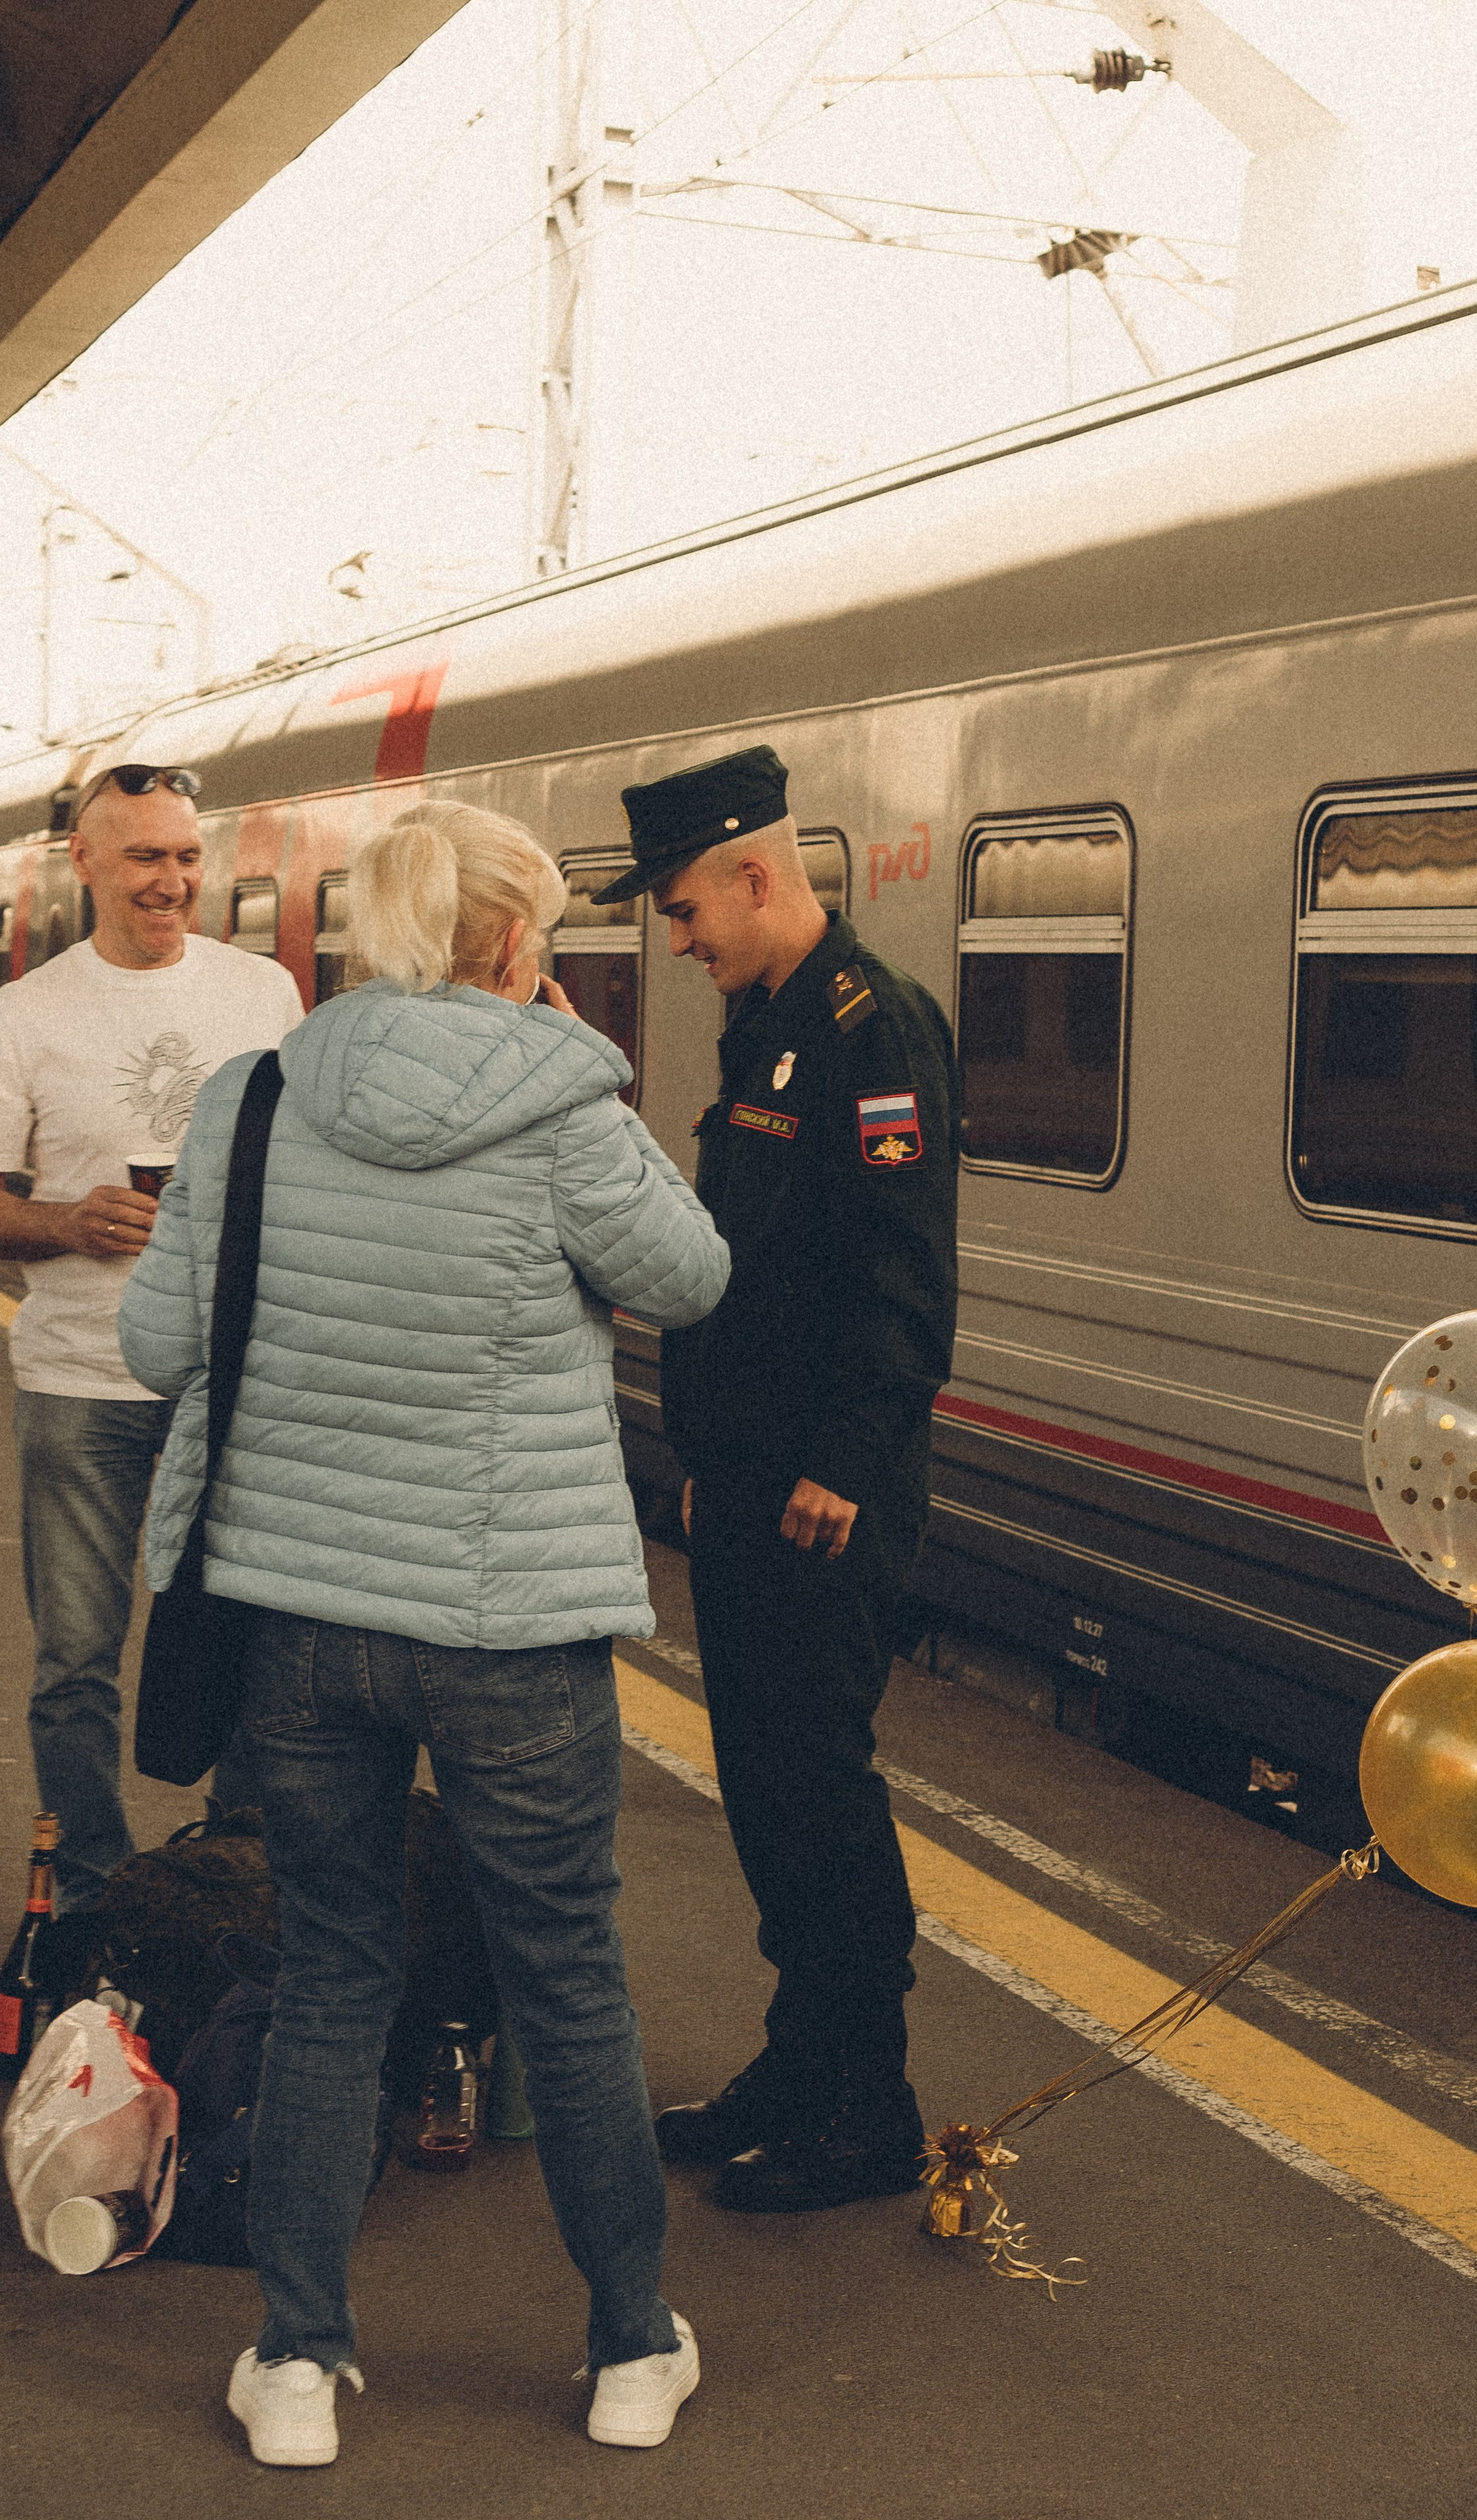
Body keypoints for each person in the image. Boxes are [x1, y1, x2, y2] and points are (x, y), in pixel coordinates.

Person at [119, 799, 730, 2471]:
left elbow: (164, 1345)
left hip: (302, 1621)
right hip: (510, 1626)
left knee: (332, 1975)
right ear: (515, 943)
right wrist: (567, 1065)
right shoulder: (563, 1102)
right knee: (567, 1980)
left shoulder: (253, 1099)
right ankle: (629, 2351)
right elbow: (688, 1276)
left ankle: (297, 2365)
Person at [593, 745, 959, 2214]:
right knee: (763, 1788)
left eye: (684, 911)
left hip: (824, 1495)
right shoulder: (768, 1023)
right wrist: (715, 1465)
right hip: (753, 1482)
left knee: (818, 1793)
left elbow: (901, 1280)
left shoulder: (876, 1030)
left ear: (755, 875)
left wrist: (839, 1467)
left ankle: (864, 2107)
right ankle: (800, 2064)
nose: (677, 941)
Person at [0, 763, 303, 1916]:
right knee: (76, 1663)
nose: (172, 881)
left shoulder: (264, 992)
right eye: (144, 858)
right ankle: (94, 1898)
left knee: (252, 1646)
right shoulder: (25, 1016)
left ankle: (227, 1885)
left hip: (234, 1383)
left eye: (186, 856)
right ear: (83, 863)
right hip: (81, 1381)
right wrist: (66, 1223)